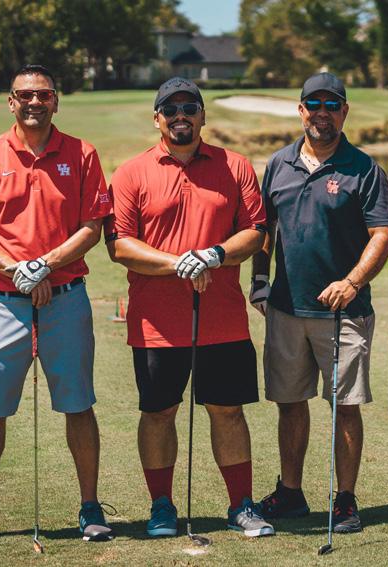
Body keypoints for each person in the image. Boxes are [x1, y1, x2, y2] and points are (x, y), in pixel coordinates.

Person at [0, 64, 113, 547]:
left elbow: (92, 226)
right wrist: (16, 270)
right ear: (11, 101)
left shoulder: (82, 154)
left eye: (43, 94)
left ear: (56, 101)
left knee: (78, 404)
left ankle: (90, 506)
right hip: (3, 301)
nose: (35, 102)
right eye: (25, 95)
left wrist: (43, 266)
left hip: (65, 298)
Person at [105, 77, 274, 538]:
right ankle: (162, 506)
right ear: (157, 118)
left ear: (202, 116)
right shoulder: (132, 173)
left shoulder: (234, 165)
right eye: (171, 109)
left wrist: (214, 255)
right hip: (156, 322)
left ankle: (241, 505)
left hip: (222, 318)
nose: (180, 116)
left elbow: (255, 233)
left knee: (228, 410)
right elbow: (119, 245)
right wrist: (179, 263)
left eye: (189, 108)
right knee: (158, 413)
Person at [251, 72, 388, 533]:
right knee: (290, 403)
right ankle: (291, 492)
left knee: (344, 406)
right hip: (286, 308)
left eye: (332, 105)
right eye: (314, 104)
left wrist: (353, 282)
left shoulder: (364, 168)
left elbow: (383, 234)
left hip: (343, 312)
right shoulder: (279, 164)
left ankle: (345, 499)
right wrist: (259, 282)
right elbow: (264, 228)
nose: (322, 113)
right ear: (301, 110)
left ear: (344, 112)